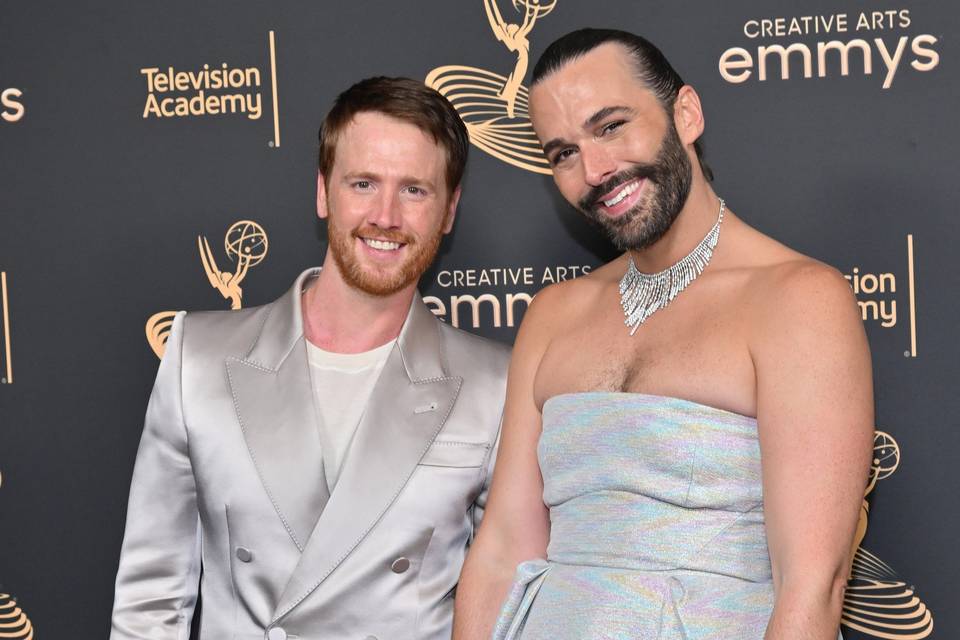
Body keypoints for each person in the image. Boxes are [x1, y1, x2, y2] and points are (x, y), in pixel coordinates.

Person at [453, 29, 874, 639]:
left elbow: (812, 587)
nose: (595, 170)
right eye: (563, 153)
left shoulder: (797, 301)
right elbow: (502, 550)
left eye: (612, 126)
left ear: (687, 112)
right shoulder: (553, 315)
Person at [110, 77, 510, 640]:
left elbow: (505, 601)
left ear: (449, 210)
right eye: (363, 183)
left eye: (415, 190)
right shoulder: (196, 359)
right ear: (323, 192)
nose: (386, 215)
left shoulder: (495, 385)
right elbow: (151, 599)